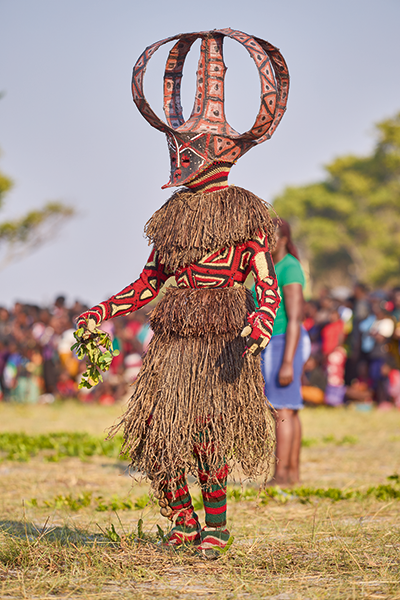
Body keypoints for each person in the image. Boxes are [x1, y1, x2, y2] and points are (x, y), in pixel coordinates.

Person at [76, 29, 289, 557]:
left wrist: (261, 322)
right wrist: (100, 312)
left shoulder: (244, 212)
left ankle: (215, 528)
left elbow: (266, 283)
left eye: (188, 150)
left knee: (206, 431)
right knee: (153, 431)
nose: (180, 158)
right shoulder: (171, 218)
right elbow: (149, 281)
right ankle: (184, 522)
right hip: (172, 343)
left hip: (221, 346)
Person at [261, 219, 310, 486]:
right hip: (279, 342)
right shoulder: (274, 267)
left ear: (281, 240)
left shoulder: (289, 268)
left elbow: (294, 318)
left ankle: (281, 475)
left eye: (270, 236)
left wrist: (287, 361)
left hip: (284, 341)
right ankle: (291, 474)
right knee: (289, 410)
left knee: (282, 410)